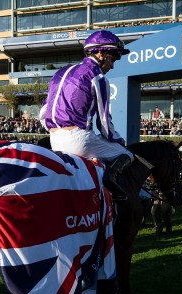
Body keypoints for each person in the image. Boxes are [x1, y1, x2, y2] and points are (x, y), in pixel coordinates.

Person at [38, 29, 133, 199]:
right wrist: (118, 139)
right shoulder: (98, 76)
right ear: (100, 52)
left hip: (54, 140)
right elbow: (104, 123)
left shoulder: (59, 73)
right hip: (79, 140)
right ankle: (112, 183)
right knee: (127, 154)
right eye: (113, 58)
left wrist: (56, 129)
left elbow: (44, 111)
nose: (112, 65)